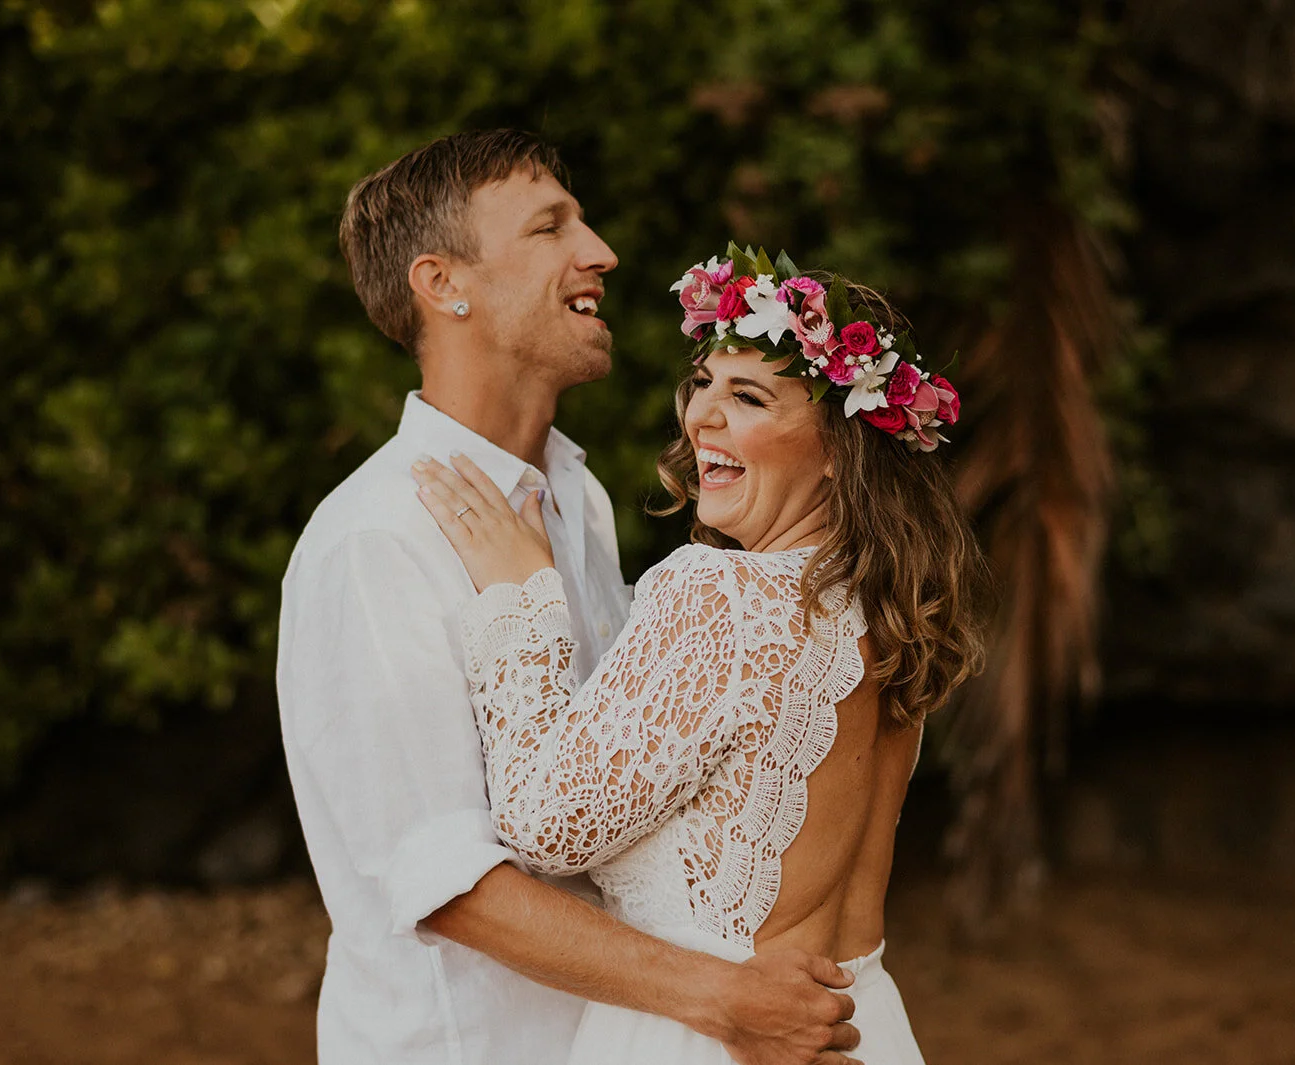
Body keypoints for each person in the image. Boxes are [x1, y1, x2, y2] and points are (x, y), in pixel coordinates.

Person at [277, 133, 864, 1065]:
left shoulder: (575, 496)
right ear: (442, 284)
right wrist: (724, 997)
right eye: (551, 227)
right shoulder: (375, 540)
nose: (600, 252)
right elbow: (451, 883)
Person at [410, 245, 989, 1063]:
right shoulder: (882, 618)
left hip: (712, 1037)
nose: (699, 417)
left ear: (838, 448)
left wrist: (523, 596)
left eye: (747, 395)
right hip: (864, 1030)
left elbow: (543, 828)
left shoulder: (722, 595)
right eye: (704, 384)